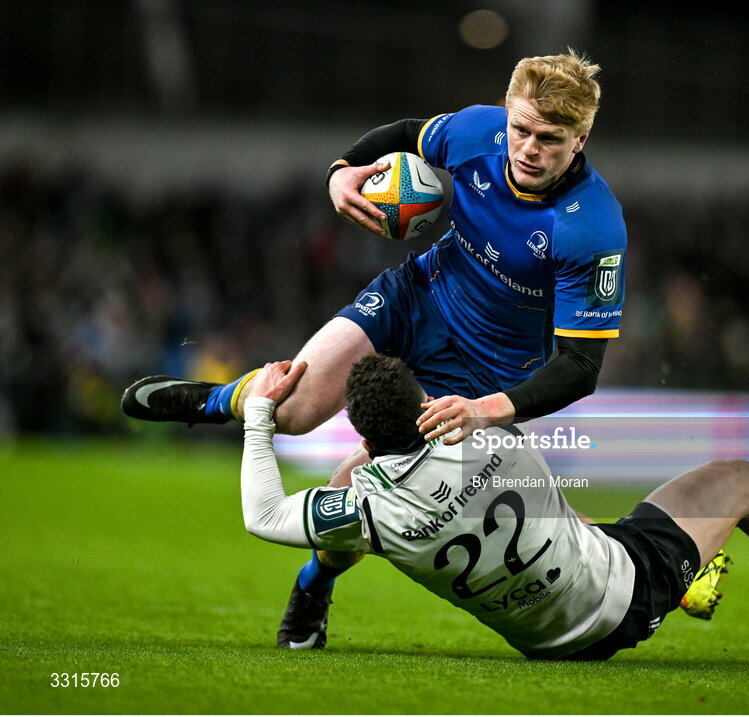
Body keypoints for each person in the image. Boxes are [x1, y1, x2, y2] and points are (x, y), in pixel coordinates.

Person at [121, 50, 628, 648]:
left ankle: (314, 584)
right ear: (506, 114)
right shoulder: (475, 132)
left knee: (347, 495)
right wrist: (342, 171)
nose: (528, 148)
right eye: (520, 128)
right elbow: (405, 135)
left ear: (581, 136)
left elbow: (579, 368)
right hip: (416, 299)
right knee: (291, 412)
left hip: (480, 377)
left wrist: (489, 408)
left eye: (551, 138)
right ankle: (213, 401)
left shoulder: (592, 228)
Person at [237, 356, 749, 659]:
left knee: (344, 513)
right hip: (619, 597)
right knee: (738, 477)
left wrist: (261, 411)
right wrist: (471, 411)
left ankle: (308, 600)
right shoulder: (492, 437)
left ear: (362, 435)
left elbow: (265, 514)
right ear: (425, 407)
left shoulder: (365, 510)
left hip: (542, 639)